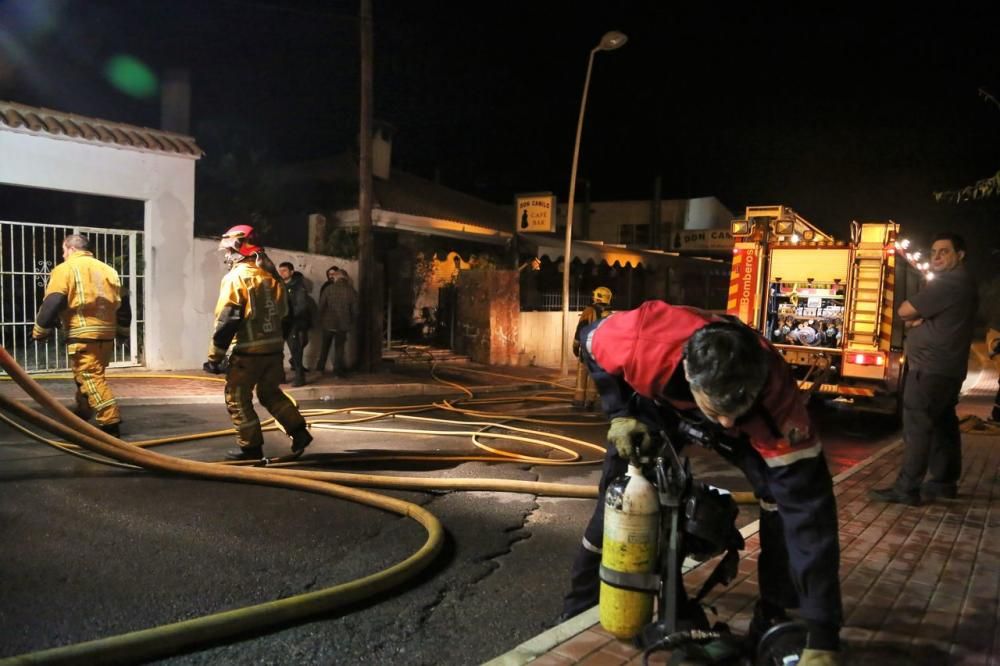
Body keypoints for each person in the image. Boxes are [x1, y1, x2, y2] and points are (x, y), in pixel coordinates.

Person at [560, 300, 843, 666]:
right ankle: (579, 607)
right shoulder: (642, 339)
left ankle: (774, 614)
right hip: (656, 405)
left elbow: (811, 519)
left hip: (752, 423)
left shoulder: (776, 403)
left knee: (782, 505)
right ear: (691, 377)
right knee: (621, 499)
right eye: (719, 410)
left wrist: (823, 636)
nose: (725, 423)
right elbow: (589, 340)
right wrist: (620, 414)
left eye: (733, 410)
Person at [871, 232, 977, 505]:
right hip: (946, 370)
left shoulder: (948, 283)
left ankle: (906, 489)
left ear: (960, 255)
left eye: (944, 251)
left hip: (930, 370)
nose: (937, 257)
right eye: (934, 252)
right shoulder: (962, 282)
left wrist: (916, 320)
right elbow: (915, 317)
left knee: (917, 426)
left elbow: (905, 311)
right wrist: (919, 321)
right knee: (943, 425)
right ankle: (943, 483)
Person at [203, 224, 312, 461]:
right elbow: (286, 316)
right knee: (270, 393)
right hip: (272, 352)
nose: (225, 255)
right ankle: (299, 431)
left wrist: (214, 358)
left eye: (228, 249)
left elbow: (228, 319)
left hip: (247, 353)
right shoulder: (272, 279)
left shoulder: (236, 278)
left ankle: (250, 448)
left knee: (237, 397)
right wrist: (276, 345)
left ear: (239, 247)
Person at [32, 234, 131, 437]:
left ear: (70, 249)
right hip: (106, 336)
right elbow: (124, 305)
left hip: (82, 335)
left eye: (63, 251)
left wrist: (40, 330)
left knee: (91, 377)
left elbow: (54, 301)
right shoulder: (109, 270)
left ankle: (110, 422)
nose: (63, 255)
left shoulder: (64, 269)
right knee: (87, 375)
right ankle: (83, 412)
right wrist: (123, 331)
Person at [572, 286, 613, 409]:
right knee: (595, 375)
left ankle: (579, 400)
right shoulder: (610, 314)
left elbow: (581, 328)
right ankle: (590, 401)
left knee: (582, 372)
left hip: (587, 348)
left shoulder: (589, 311)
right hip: (600, 351)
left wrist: (575, 345)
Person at [314, 266, 358, 377]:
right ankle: (338, 371)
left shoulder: (328, 289)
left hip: (328, 323)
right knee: (339, 349)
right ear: (345, 278)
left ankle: (320, 369)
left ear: (336, 278)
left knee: (324, 347)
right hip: (343, 325)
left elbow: (321, 306)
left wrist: (319, 320)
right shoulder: (351, 291)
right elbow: (355, 310)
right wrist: (352, 321)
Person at [277, 261, 312, 387]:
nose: (281, 273)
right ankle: (280, 376)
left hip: (293, 323)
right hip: (280, 323)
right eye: (280, 270)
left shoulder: (298, 286)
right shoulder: (278, 285)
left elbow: (301, 306)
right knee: (277, 351)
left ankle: (299, 377)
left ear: (291, 272)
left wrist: (289, 316)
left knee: (295, 351)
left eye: (284, 270)